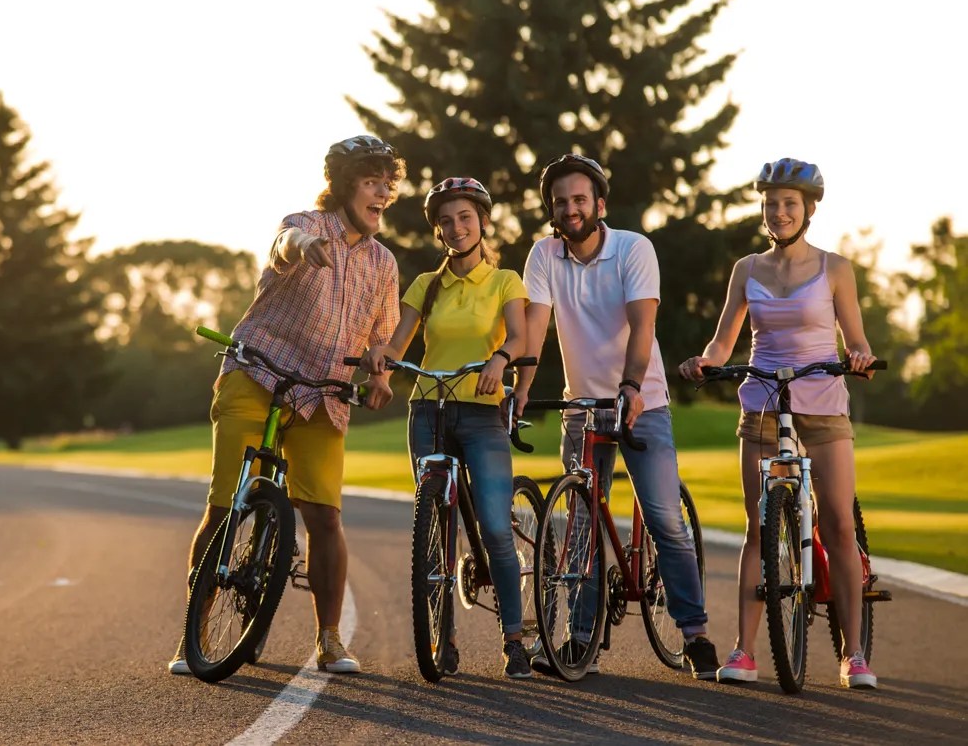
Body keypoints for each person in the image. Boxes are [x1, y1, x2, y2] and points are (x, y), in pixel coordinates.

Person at [168, 135, 403, 675]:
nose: (383, 192)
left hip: (322, 396)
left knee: (323, 516)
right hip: (257, 374)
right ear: (345, 185)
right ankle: (194, 633)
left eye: (388, 183)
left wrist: (380, 373)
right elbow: (284, 244)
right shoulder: (304, 224)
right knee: (225, 505)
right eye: (372, 181)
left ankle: (329, 640)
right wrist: (302, 246)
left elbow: (379, 340)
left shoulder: (383, 264)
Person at [514, 153, 719, 680]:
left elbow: (642, 325)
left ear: (599, 204)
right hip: (582, 405)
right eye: (561, 202)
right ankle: (579, 640)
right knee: (580, 522)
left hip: (640, 400)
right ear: (552, 210)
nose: (570, 208)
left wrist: (631, 386)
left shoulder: (633, 248)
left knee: (664, 518)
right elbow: (535, 329)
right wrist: (520, 390)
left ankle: (694, 632)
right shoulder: (543, 256)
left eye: (579, 199)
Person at [678, 158, 879, 689]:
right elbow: (725, 341)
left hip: (824, 405)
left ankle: (853, 654)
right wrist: (706, 361)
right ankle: (744, 651)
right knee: (758, 527)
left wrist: (859, 357)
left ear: (809, 209)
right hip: (764, 404)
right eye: (772, 203)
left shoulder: (835, 268)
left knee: (837, 523)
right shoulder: (747, 268)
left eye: (790, 203)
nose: (780, 211)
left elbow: (855, 339)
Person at [364, 177, 532, 679]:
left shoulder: (505, 281)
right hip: (429, 412)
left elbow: (521, 337)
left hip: (482, 414)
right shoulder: (424, 285)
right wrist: (382, 362)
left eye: (464, 218)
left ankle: (515, 639)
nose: (456, 228)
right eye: (446, 221)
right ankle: (445, 638)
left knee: (497, 529)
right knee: (435, 528)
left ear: (482, 222)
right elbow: (398, 343)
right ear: (438, 230)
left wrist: (501, 358)